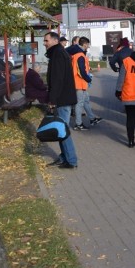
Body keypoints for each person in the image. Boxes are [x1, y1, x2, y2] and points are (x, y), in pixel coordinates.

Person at [43, 31, 79, 169]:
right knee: (61, 130)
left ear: (54, 40)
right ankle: (65, 157)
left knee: (63, 130)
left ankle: (71, 160)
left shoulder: (58, 54)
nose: (44, 43)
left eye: (46, 41)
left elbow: (57, 79)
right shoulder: (59, 52)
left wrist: (52, 100)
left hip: (62, 98)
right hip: (64, 97)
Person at [72, 36, 102, 130]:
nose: (88, 46)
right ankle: (78, 124)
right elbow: (81, 71)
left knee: (85, 101)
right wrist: (88, 78)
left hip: (80, 83)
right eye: (88, 44)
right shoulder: (80, 55)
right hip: (79, 83)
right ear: (84, 44)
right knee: (79, 103)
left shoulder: (78, 55)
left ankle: (92, 119)